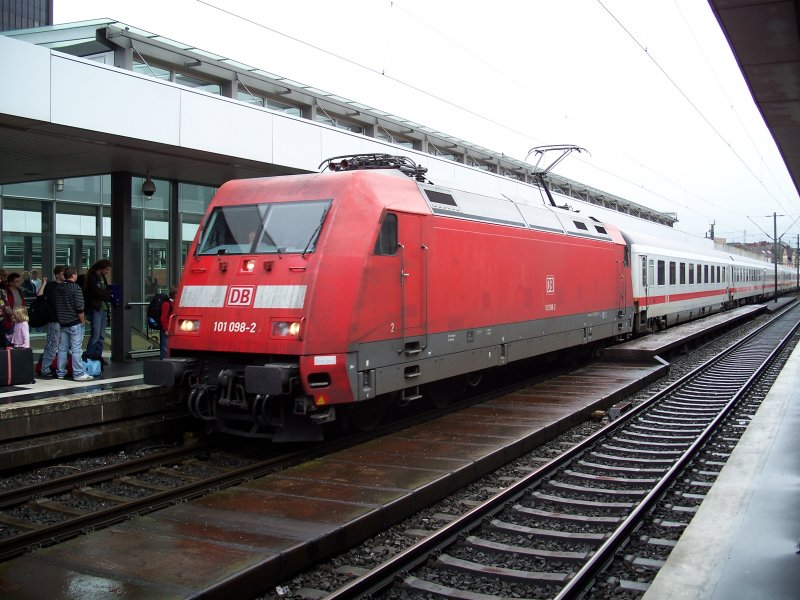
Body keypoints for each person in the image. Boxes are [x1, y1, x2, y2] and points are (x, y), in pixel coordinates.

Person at [53, 266, 92, 381]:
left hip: (62, 322)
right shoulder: (76, 288)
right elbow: (79, 307)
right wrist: (82, 321)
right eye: (76, 274)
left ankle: (61, 372)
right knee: (76, 349)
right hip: (74, 322)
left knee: (62, 348)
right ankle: (78, 373)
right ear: (73, 275)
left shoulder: (58, 288)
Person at [38, 266, 65, 378]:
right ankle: (45, 368)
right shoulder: (51, 286)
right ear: (57, 275)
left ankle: (58, 367)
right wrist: (44, 283)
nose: (64, 275)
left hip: (64, 320)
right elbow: (39, 295)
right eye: (62, 273)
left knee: (62, 345)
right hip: (55, 319)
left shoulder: (65, 285)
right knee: (53, 344)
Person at [84, 259, 112, 362]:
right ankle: (89, 355)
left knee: (101, 335)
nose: (107, 272)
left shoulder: (102, 278)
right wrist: (106, 294)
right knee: (96, 334)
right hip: (96, 308)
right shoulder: (93, 277)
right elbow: (97, 293)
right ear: (101, 268)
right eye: (106, 269)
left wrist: (105, 294)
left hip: (103, 308)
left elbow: (105, 291)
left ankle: (97, 355)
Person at [159, 287, 176, 359]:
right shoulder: (167, 304)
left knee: (167, 346)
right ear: (174, 295)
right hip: (166, 328)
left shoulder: (172, 303)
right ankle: (164, 360)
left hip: (170, 328)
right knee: (165, 346)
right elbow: (163, 317)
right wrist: (166, 329)